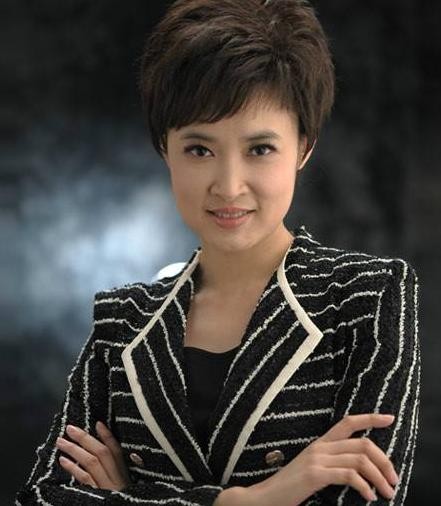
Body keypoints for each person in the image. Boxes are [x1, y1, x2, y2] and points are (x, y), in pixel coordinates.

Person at [16, 0, 420, 504]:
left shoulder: (367, 298)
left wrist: (128, 495)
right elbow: (43, 496)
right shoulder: (122, 321)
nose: (228, 186)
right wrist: (253, 499)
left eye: (260, 149)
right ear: (165, 149)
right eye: (199, 149)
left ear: (304, 146)